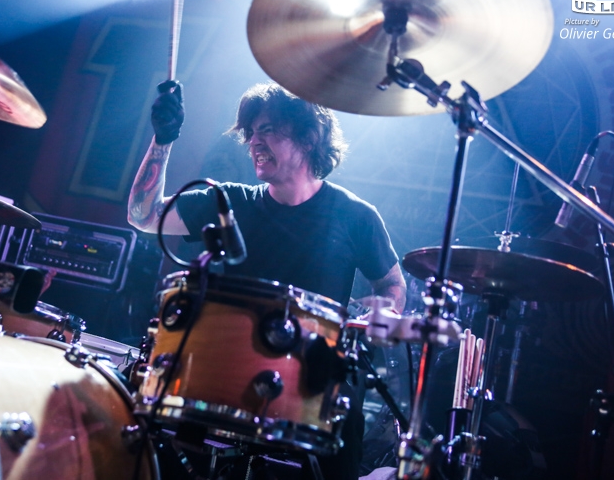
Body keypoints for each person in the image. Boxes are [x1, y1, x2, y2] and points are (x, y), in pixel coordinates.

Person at [127, 80, 407, 480]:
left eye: (268, 130)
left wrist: (380, 314)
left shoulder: (356, 216)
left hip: (313, 386)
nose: (254, 142)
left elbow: (392, 285)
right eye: (251, 133)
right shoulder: (227, 203)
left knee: (344, 429)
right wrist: (162, 141)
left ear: (309, 138)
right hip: (224, 378)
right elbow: (143, 216)